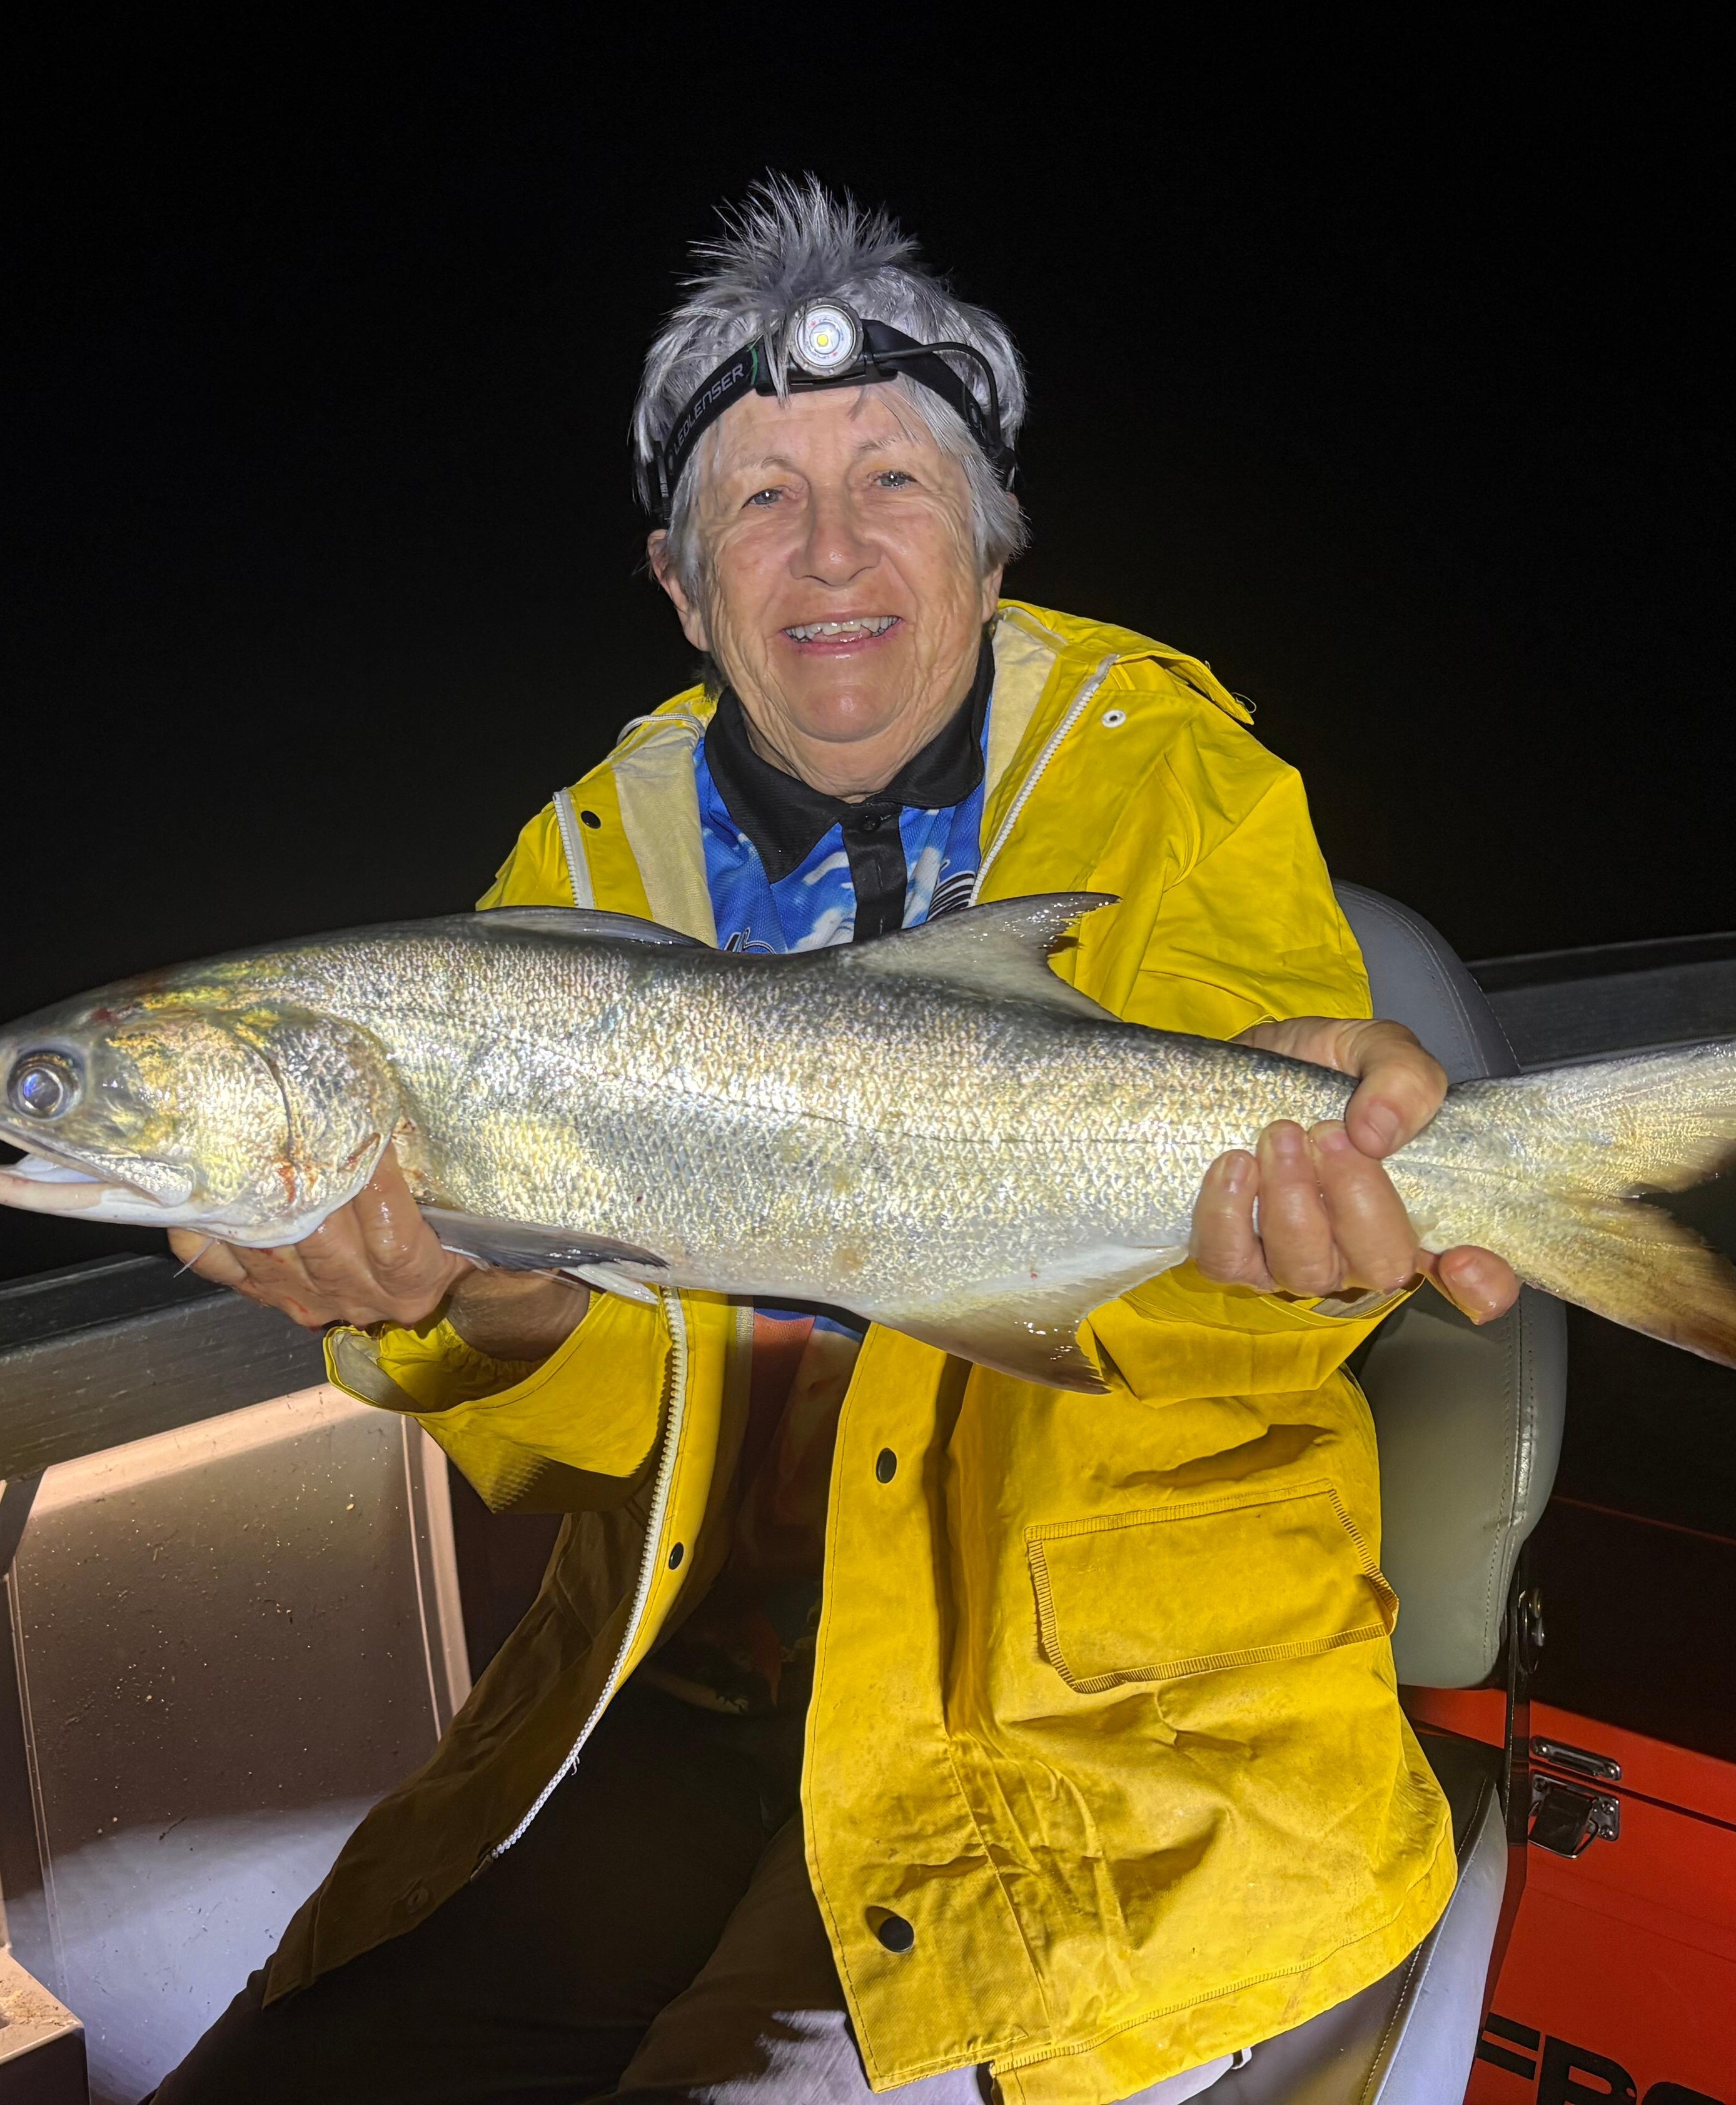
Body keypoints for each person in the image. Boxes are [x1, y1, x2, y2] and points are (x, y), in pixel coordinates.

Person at [144, 179, 1522, 2105]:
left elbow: (1239, 1360)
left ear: (988, 541)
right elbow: (570, 1461)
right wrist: (494, 1315)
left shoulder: (1175, 783)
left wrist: (1292, 1238)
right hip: (681, 1693)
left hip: (1101, 1733)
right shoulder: (573, 872)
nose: (831, 548)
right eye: (760, 501)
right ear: (687, 589)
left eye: (890, 480)